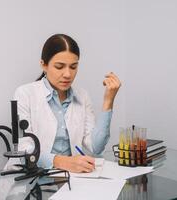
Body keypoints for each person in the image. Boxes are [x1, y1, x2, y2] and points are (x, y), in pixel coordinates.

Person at [13, 33, 121, 173]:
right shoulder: (24, 94)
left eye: (73, 67)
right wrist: (63, 162)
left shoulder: (82, 96)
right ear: (44, 65)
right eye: (59, 66)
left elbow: (96, 147)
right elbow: (23, 149)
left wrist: (108, 101)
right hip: (32, 177)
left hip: (70, 178)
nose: (68, 74)